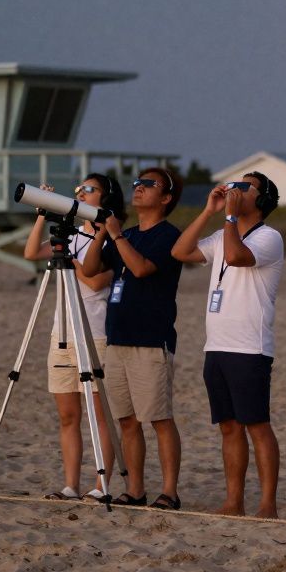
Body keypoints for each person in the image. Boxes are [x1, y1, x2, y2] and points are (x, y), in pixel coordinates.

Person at [172, 172, 284, 518]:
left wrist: (231, 218)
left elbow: (237, 257)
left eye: (245, 187)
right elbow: (181, 251)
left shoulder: (270, 237)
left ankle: (267, 503)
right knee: (228, 426)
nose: (235, 190)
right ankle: (233, 501)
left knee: (256, 424)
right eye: (234, 185)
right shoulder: (224, 233)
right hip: (217, 344)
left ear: (262, 198)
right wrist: (209, 211)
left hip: (250, 347)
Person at [81, 166, 184, 510]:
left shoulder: (168, 236)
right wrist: (101, 234)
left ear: (166, 197)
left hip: (150, 340)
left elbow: (140, 269)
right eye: (137, 183)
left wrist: (117, 236)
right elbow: (91, 269)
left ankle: (169, 491)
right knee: (125, 420)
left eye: (148, 184)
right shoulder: (124, 233)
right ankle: (136, 489)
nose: (138, 188)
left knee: (158, 418)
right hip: (117, 338)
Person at [22, 174, 122, 502]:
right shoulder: (74, 233)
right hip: (62, 331)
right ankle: (70, 485)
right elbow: (30, 253)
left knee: (99, 414)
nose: (80, 192)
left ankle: (100, 484)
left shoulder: (111, 239)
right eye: (79, 188)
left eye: (89, 189)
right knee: (68, 415)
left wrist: (67, 255)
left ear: (105, 198)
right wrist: (42, 214)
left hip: (95, 333)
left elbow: (95, 282)